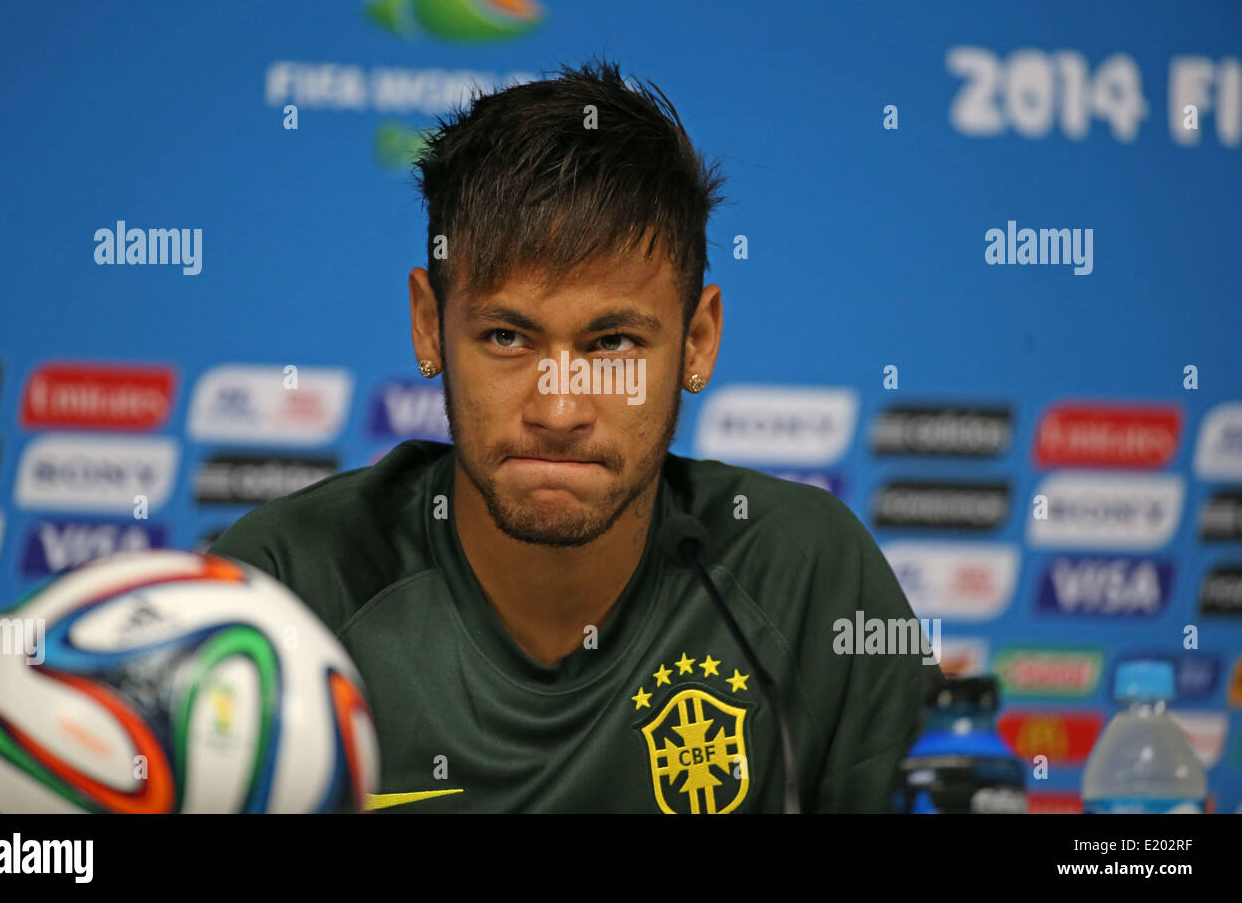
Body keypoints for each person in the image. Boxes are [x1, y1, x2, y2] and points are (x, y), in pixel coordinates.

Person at [208, 57, 925, 813]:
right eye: (508, 338)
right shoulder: (286, 593)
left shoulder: (806, 576)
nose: (558, 410)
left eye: (612, 344)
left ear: (699, 340)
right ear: (429, 325)